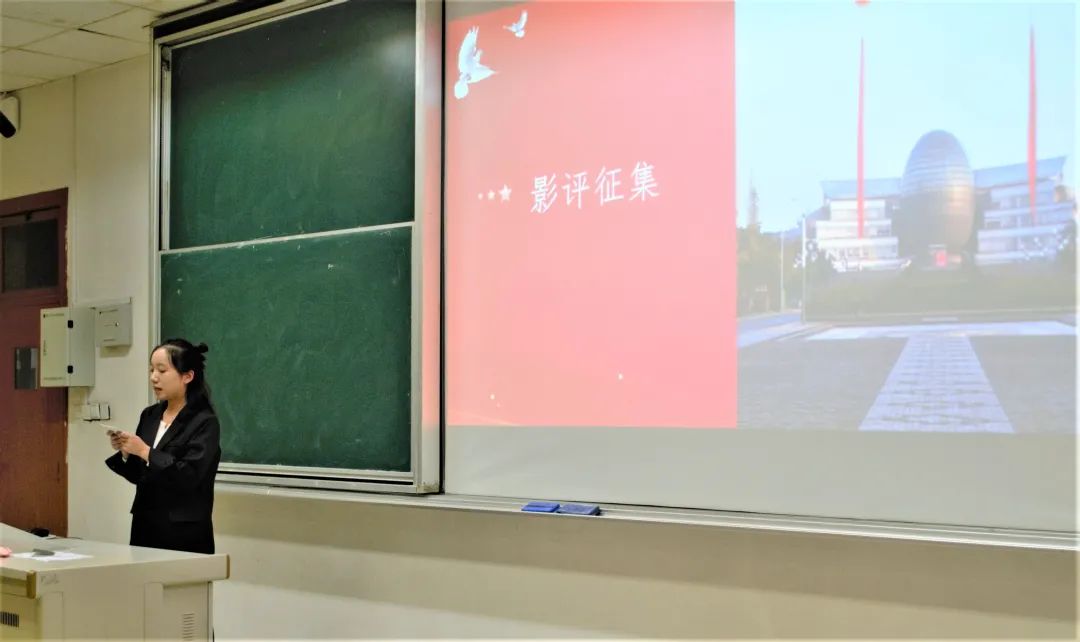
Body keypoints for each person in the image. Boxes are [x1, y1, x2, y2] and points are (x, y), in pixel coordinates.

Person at [106, 339, 221, 554]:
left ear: (187, 376)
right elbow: (141, 475)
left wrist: (145, 451)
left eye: (162, 370)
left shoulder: (204, 422)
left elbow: (189, 476)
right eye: (151, 370)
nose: (153, 377)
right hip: (145, 525)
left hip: (183, 532)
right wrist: (126, 453)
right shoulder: (150, 415)